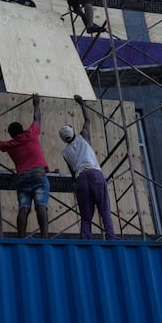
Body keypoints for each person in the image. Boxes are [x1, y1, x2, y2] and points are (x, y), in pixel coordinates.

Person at [0, 93, 50, 238]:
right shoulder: (31, 133)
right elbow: (37, 117)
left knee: (24, 207)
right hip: (38, 174)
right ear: (22, 128)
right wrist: (36, 103)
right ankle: (45, 238)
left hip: (22, 178)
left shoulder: (11, 144)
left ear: (11, 134)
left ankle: (21, 237)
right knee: (41, 205)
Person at [59, 95, 117, 240]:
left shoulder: (65, 153)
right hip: (94, 174)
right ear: (73, 131)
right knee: (104, 209)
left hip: (81, 179)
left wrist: (77, 184)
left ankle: (85, 239)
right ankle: (110, 236)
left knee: (86, 215)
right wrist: (82, 103)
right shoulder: (83, 136)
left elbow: (73, 172)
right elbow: (87, 120)